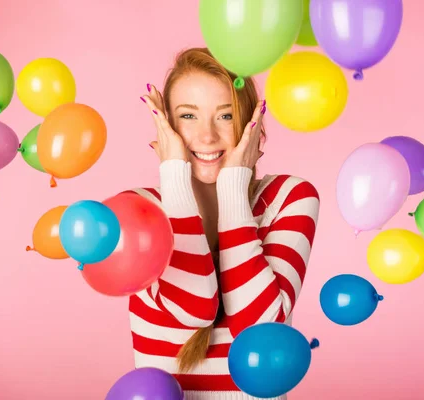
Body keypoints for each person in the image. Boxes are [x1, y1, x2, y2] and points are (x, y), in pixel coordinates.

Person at [128, 47, 320, 400]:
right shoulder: (137, 211)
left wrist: (234, 185)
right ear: (166, 122)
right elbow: (196, 308)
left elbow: (259, 330)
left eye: (226, 116)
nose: (206, 137)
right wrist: (174, 174)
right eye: (188, 116)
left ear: (252, 123)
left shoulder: (289, 197)